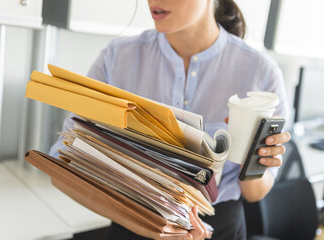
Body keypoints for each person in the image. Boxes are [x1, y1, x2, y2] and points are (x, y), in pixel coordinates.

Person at [49, 0, 291, 239]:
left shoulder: (261, 73)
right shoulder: (116, 59)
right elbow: (63, 164)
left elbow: (254, 193)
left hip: (220, 228)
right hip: (132, 221)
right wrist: (149, 227)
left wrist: (254, 160)